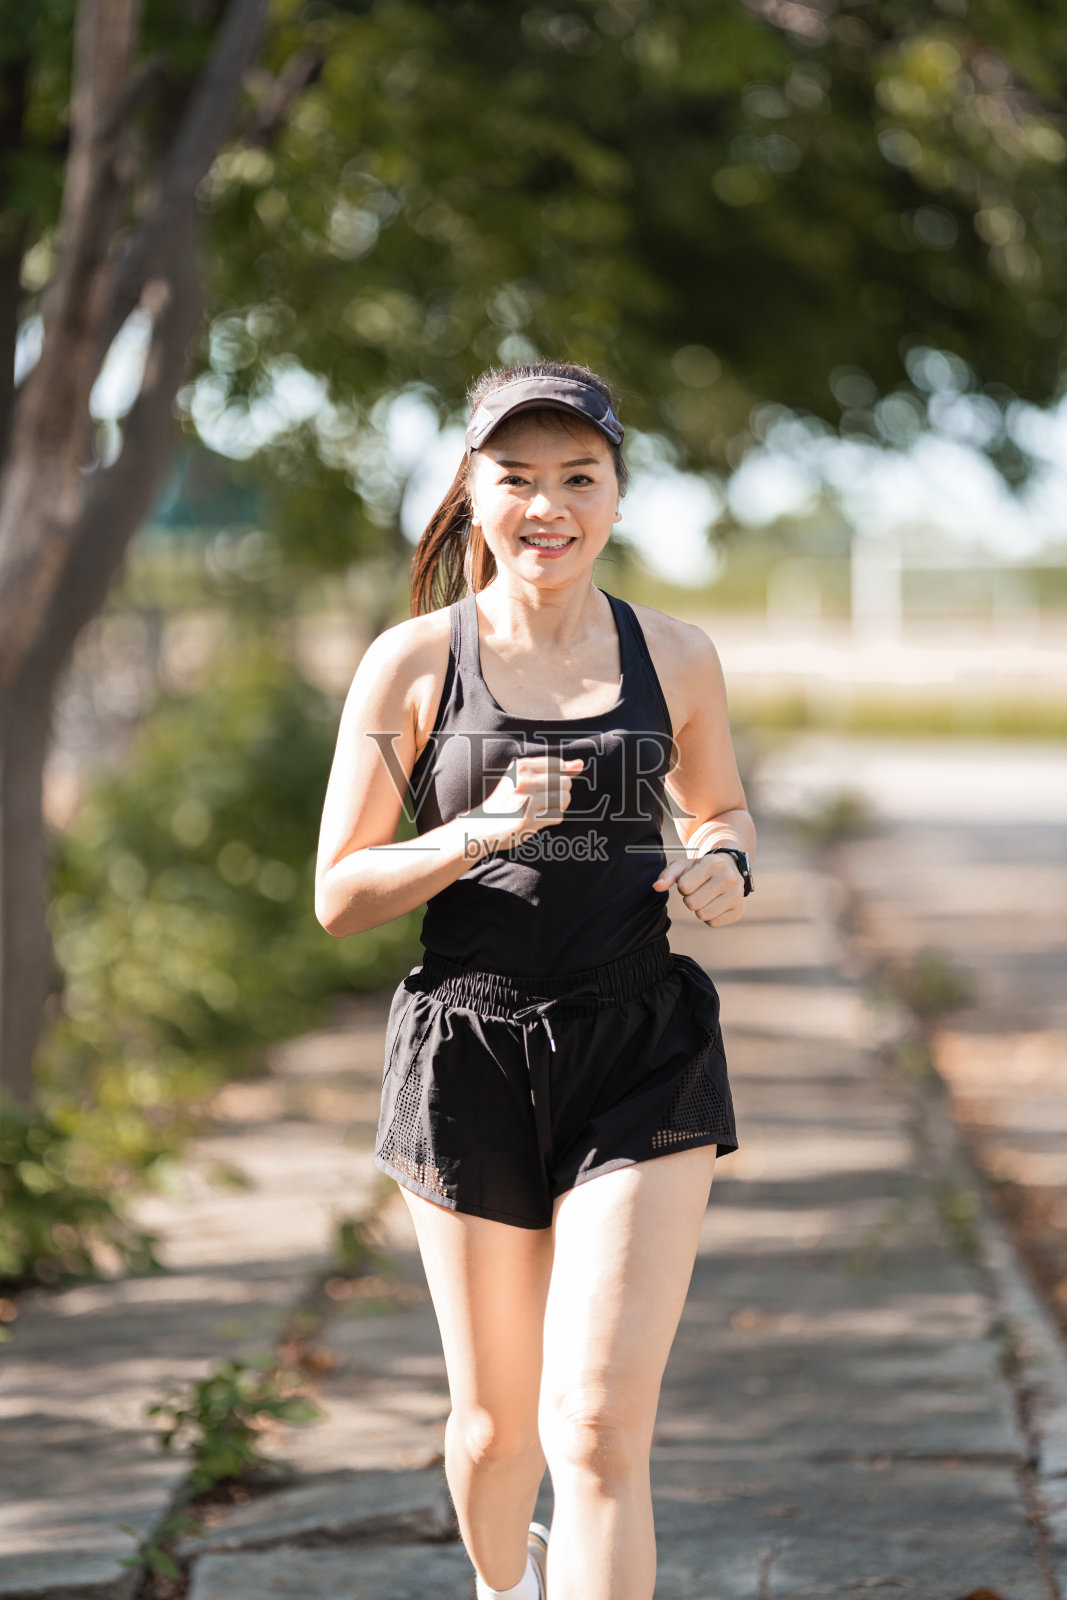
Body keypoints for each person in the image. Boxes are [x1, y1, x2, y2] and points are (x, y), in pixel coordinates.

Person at [315, 360, 755, 1600]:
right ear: (470, 491)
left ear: (616, 496)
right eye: (516, 477)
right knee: (495, 1436)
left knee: (600, 1429)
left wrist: (724, 859)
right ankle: (509, 1583)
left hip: (639, 1045)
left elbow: (718, 807)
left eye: (578, 476)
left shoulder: (673, 653)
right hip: (469, 1053)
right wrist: (475, 832)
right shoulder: (411, 665)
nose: (546, 504)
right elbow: (338, 896)